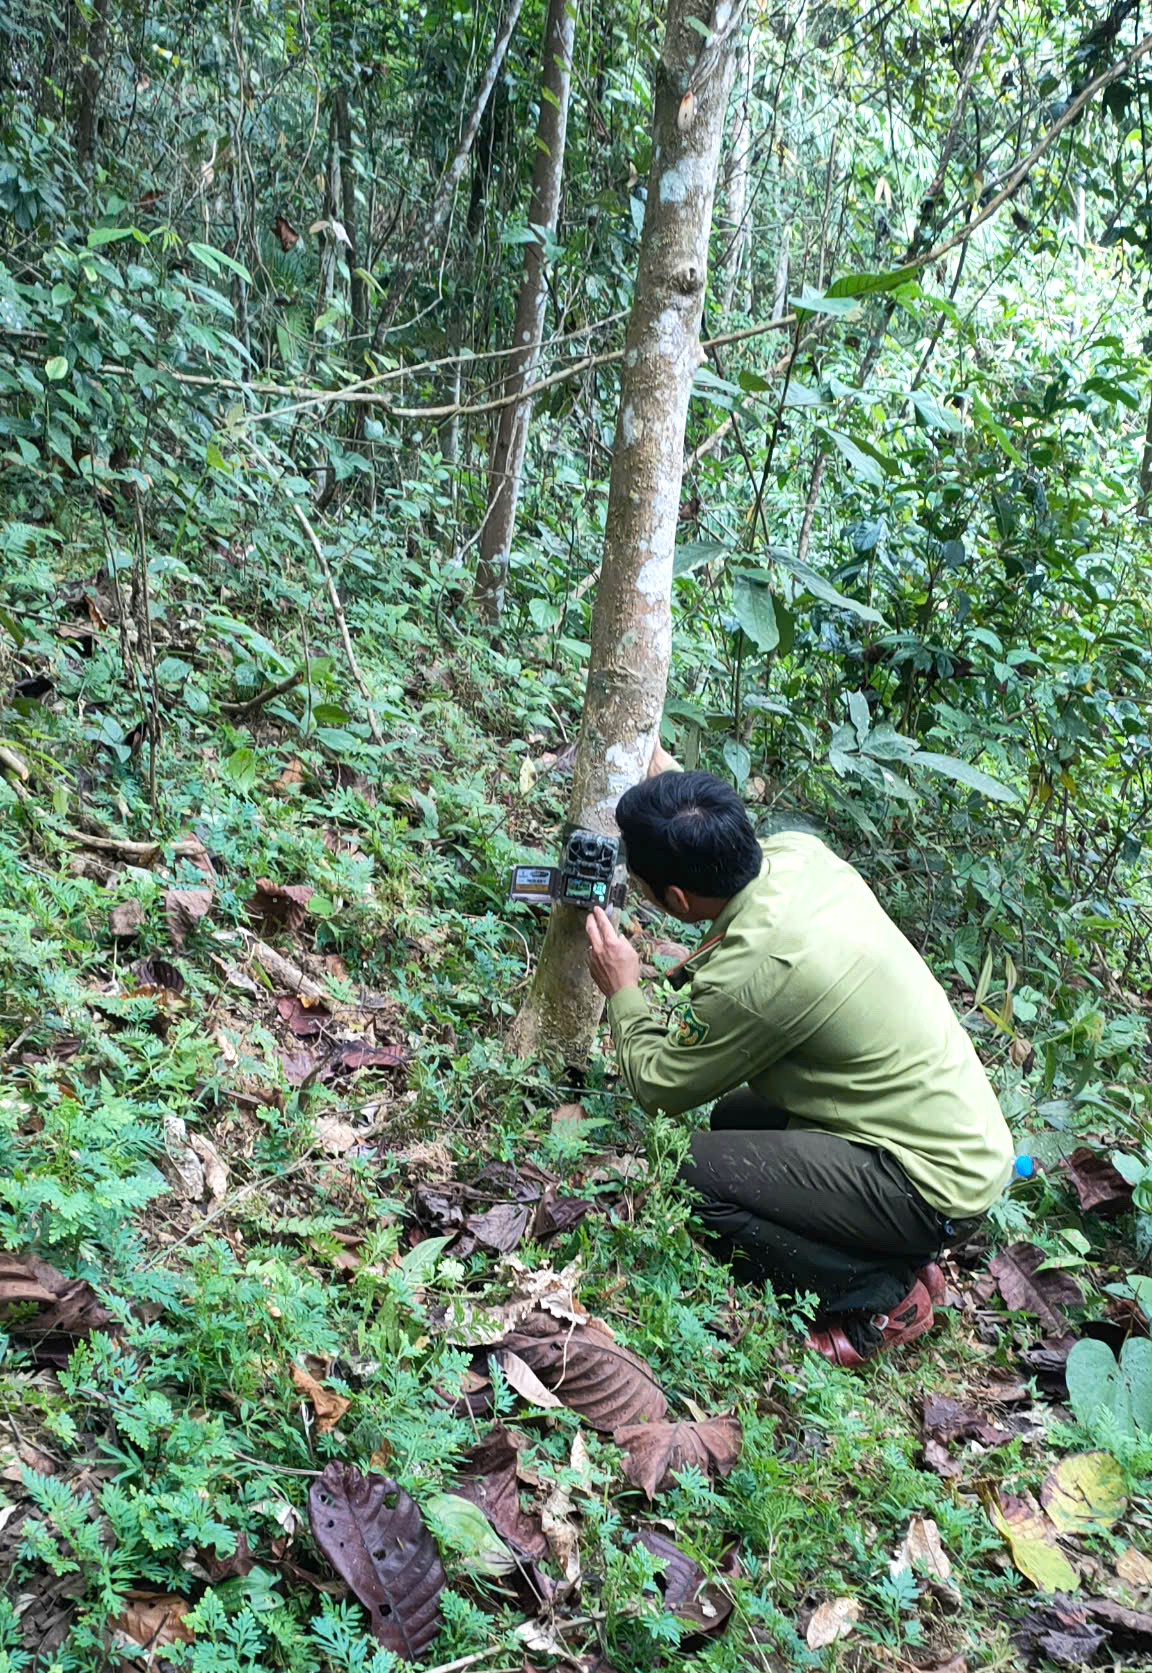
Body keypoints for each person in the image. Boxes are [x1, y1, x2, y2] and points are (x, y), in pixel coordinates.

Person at [583, 764, 1014, 1366]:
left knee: (691, 1176)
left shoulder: (761, 974)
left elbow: (659, 1087)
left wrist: (623, 990)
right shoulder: (796, 855)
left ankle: (879, 1298)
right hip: (957, 1139)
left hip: (932, 1185)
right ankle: (898, 1253)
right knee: (734, 1121)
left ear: (677, 899)